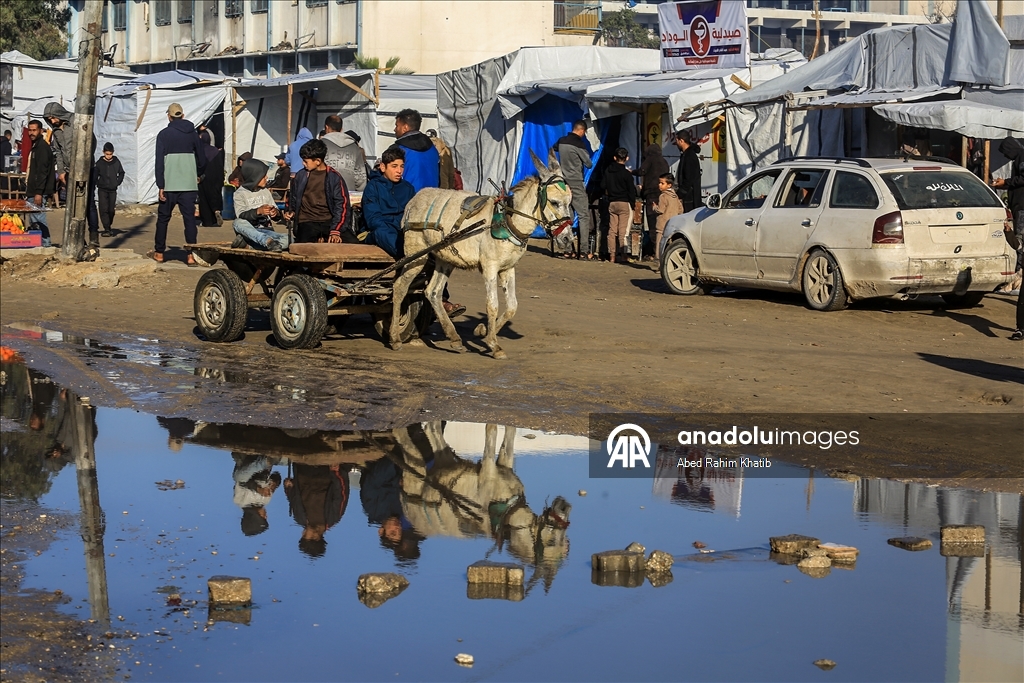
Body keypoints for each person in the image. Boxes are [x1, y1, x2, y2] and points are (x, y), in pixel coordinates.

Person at [152, 103, 205, 266]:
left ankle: (159, 253)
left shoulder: (163, 134)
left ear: (169, 116)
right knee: (189, 219)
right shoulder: (193, 133)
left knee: (163, 219)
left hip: (169, 184)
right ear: (182, 115)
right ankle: (190, 255)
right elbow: (202, 158)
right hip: (189, 184)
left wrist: (160, 184)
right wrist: (198, 174)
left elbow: (159, 162)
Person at [284, 138, 353, 244]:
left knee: (353, 245)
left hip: (329, 221)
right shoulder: (300, 176)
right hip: (307, 221)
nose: (303, 164)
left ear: (318, 161)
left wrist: (336, 230)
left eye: (306, 161)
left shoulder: (334, 178)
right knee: (303, 249)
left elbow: (342, 205)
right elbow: (292, 197)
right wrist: (290, 212)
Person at [284, 462, 351, 559]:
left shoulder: (300, 519)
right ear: (315, 537)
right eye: (305, 536)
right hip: (325, 471)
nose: (303, 533)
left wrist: (288, 487)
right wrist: (336, 472)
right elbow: (341, 493)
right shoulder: (333, 518)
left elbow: (293, 499)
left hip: (303, 469)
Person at [362, 145, 415, 258]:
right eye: (394, 166)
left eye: (402, 166)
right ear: (383, 167)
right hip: (380, 231)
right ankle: (407, 258)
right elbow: (373, 219)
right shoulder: (373, 187)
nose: (399, 171)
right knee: (382, 233)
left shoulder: (408, 188)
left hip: (402, 229)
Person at [555, 120, 594, 260]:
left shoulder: (561, 141)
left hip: (563, 183)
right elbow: (589, 164)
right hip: (576, 182)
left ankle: (567, 250)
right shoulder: (579, 144)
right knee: (584, 216)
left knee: (568, 216)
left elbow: (553, 150)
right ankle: (583, 252)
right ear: (582, 131)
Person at [232, 158, 289, 252]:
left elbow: (277, 217)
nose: (266, 178)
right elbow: (241, 215)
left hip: (267, 230)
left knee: (290, 240)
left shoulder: (265, 192)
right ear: (254, 177)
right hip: (251, 232)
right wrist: (258, 211)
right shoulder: (240, 193)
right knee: (237, 222)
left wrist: (275, 213)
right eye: (263, 176)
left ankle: (250, 246)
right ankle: (268, 242)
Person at [633, 142, 670, 257]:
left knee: (653, 223)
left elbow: (642, 171)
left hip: (651, 195)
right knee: (662, 224)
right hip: (663, 195)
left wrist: (631, 172)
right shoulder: (664, 161)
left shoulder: (650, 159)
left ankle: (656, 252)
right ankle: (664, 251)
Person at [24, 120, 55, 247]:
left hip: (38, 191)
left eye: (34, 130)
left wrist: (38, 192)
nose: (31, 133)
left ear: (41, 131)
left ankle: (46, 244)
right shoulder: (36, 146)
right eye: (30, 130)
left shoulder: (42, 147)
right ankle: (39, 243)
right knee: (34, 219)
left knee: (39, 218)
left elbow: (42, 172)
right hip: (33, 189)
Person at [603, 147, 636, 264]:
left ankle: (612, 256)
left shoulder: (608, 171)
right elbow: (631, 191)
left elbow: (603, 186)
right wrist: (632, 204)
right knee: (623, 231)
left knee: (612, 230)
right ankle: (623, 255)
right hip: (624, 203)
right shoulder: (626, 174)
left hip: (612, 203)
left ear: (614, 158)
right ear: (627, 158)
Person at [393, 109, 439, 192]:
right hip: (432, 198)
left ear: (405, 128)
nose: (395, 129)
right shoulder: (433, 148)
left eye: (397, 126)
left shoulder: (398, 149)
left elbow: (387, 178)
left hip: (408, 199)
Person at [320, 114, 367, 192]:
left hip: (324, 193)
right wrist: (359, 193)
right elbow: (360, 176)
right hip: (348, 193)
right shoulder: (354, 147)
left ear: (326, 127)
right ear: (341, 129)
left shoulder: (320, 145)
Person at [93, 142, 124, 237]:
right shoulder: (99, 163)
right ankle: (106, 228)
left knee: (111, 210)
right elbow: (95, 175)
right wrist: (97, 183)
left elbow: (122, 173)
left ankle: (108, 225)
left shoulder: (116, 162)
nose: (109, 156)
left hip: (112, 189)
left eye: (110, 154)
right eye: (107, 154)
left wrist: (117, 182)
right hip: (102, 189)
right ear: (103, 152)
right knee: (103, 209)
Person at [650, 173, 683, 262]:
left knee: (659, 244)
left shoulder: (663, 196)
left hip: (662, 225)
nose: (659, 185)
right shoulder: (675, 196)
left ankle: (658, 262)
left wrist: (654, 207)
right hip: (673, 224)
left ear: (669, 185)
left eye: (662, 183)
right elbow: (681, 210)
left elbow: (660, 210)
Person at [197, 129, 224, 227]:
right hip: (216, 177)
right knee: (215, 195)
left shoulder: (200, 151)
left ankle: (207, 221)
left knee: (204, 199)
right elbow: (220, 165)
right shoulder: (216, 151)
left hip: (205, 177)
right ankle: (216, 211)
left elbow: (199, 165)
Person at [43, 102, 73, 190]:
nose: (52, 121)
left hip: (84, 169)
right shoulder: (56, 130)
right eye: (49, 119)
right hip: (68, 170)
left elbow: (90, 141)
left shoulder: (75, 122)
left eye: (53, 118)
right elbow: (58, 151)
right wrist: (61, 171)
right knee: (70, 200)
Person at [674, 130, 702, 213]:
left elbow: (689, 179)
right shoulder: (685, 155)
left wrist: (679, 194)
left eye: (677, 141)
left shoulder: (690, 156)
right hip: (688, 197)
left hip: (690, 199)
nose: (676, 144)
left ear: (681, 141)